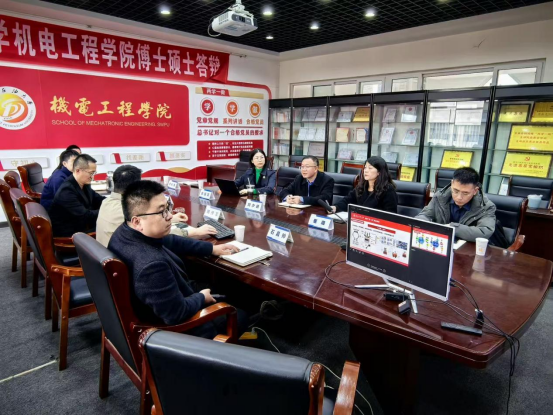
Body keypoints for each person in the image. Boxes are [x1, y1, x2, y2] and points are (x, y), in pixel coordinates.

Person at [108, 180, 245, 338]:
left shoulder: (126, 232)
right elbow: (176, 314)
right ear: (137, 221)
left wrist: (212, 248)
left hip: (159, 303)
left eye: (167, 208)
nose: (170, 216)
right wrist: (201, 297)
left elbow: (170, 240)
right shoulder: (151, 265)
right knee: (241, 311)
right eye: (162, 212)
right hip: (177, 329)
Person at [96, 165, 218, 247]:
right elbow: (158, 234)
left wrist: (173, 219)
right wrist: (195, 232)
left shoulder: (106, 202)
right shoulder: (125, 210)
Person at [416, 167, 496, 242]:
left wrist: (453, 228)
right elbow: (425, 215)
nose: (459, 197)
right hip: (441, 242)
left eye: (465, 193)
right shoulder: (439, 197)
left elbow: (484, 232)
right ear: (452, 184)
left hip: (467, 247)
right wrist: (420, 222)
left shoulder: (486, 207)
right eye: (456, 191)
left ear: (475, 191)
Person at [49, 154, 105, 237]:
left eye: (94, 173)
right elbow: (85, 216)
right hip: (70, 234)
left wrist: (113, 202)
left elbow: (98, 199)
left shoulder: (84, 184)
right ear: (78, 170)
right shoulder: (66, 191)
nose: (92, 177)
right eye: (91, 173)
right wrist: (108, 210)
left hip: (82, 226)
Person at [332, 156, 398, 214]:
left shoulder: (388, 190)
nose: (365, 171)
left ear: (379, 172)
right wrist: (336, 207)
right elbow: (347, 200)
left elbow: (391, 215)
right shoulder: (362, 186)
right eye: (365, 167)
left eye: (370, 168)